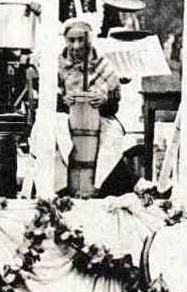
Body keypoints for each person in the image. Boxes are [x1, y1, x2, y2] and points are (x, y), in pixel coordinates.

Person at [54, 18, 130, 195]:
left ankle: (99, 185)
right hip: (65, 117)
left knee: (113, 135)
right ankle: (62, 186)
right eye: (71, 40)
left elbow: (115, 103)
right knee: (52, 132)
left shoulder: (104, 65)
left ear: (89, 40)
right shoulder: (57, 65)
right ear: (65, 40)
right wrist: (63, 100)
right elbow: (48, 97)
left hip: (99, 118)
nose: (76, 46)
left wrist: (104, 101)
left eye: (81, 40)